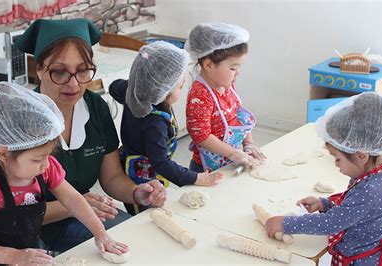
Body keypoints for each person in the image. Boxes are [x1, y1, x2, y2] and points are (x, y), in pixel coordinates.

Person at [14, 18, 166, 253]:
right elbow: (14, 210)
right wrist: (75, 205)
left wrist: (137, 193)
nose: (74, 84)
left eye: (83, 70)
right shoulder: (20, 120)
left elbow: (112, 176)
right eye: (60, 72)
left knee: (141, 241)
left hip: (85, 216)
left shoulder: (95, 108)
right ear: (40, 68)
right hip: (30, 232)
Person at [0, 82, 128, 265]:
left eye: (48, 156)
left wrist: (100, 233)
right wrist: (15, 257)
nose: (46, 164)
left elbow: (74, 199)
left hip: (29, 250)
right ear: (4, 154)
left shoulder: (45, 168)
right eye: (38, 159)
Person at [265, 92, 382, 265]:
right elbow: (356, 211)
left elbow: (330, 223)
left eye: (337, 158)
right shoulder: (381, 171)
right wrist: (325, 204)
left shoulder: (371, 190)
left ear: (361, 155)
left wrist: (286, 223)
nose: (336, 165)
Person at [109, 41, 224, 215]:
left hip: (135, 160)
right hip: (140, 176)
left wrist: (137, 83)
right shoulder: (155, 124)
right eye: (180, 86)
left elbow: (113, 87)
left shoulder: (134, 91)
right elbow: (161, 162)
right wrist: (196, 177)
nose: (182, 89)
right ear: (161, 91)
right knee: (145, 213)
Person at [184, 22, 266, 173]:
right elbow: (201, 136)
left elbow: (238, 118)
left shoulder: (227, 85)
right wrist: (234, 153)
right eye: (233, 68)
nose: (238, 72)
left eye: (240, 66)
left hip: (230, 161)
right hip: (205, 169)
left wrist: (248, 144)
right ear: (208, 65)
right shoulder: (200, 96)